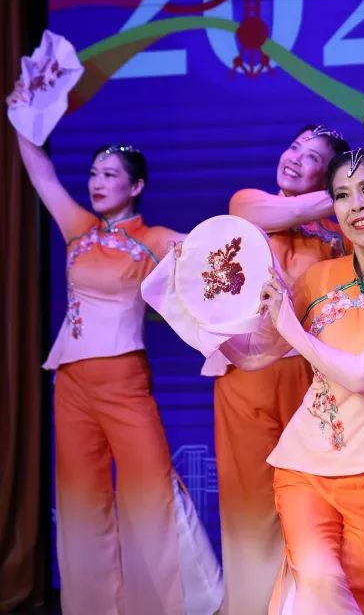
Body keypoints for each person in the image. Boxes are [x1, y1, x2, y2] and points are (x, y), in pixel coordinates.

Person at [220, 147, 364, 614]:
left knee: (352, 599)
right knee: (318, 580)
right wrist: (200, 311)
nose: (356, 205)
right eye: (342, 195)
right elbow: (256, 355)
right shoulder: (318, 278)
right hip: (305, 464)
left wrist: (290, 327)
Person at [12, 130, 221, 614]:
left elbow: (217, 251)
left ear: (137, 186)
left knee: (152, 486)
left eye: (110, 175)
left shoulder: (154, 240)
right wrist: (24, 115)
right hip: (70, 380)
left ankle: (193, 603)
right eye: (93, 173)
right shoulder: (79, 228)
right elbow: (41, 173)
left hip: (124, 378)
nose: (97, 183)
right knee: (81, 497)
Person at [210, 124, 351, 614]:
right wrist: (348, 189)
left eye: (311, 157)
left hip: (310, 377)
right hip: (245, 373)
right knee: (248, 504)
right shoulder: (249, 204)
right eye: (293, 147)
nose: (294, 158)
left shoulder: (338, 237)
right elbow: (288, 212)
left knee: (310, 505)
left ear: (325, 173)